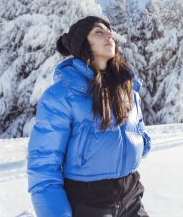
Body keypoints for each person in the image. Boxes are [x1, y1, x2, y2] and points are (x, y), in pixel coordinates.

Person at [27, 16, 151, 217]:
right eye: (98, 32)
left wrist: (141, 143)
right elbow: (43, 165)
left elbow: (139, 131)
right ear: (83, 44)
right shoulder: (62, 94)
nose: (108, 35)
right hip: (89, 201)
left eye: (109, 32)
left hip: (131, 194)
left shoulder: (128, 89)